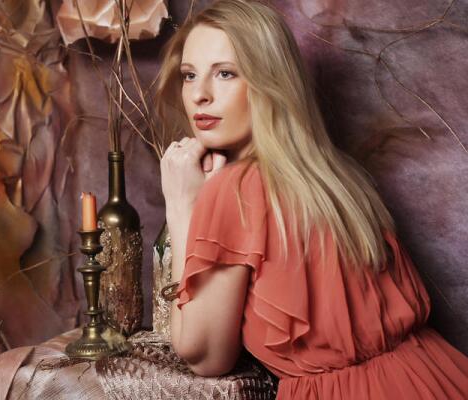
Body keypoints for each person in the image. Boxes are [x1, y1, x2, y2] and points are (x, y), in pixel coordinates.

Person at [156, 0, 468, 399]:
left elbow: (203, 355)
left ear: (270, 82)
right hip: (435, 376)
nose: (200, 94)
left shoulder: (233, 189)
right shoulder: (337, 177)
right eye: (189, 75)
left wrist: (183, 207)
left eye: (226, 73)